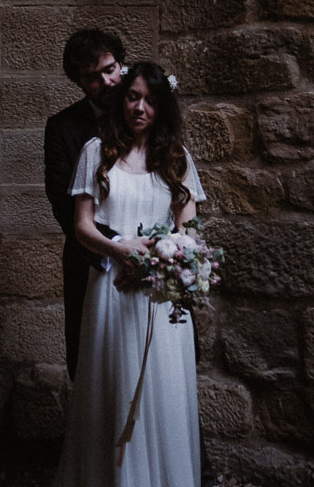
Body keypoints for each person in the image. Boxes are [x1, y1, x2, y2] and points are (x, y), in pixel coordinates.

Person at [55, 62, 207, 487]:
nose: (140, 107)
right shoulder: (95, 151)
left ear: (163, 107)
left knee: (164, 395)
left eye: (151, 101)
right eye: (133, 97)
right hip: (111, 291)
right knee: (112, 390)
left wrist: (164, 258)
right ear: (121, 100)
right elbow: (82, 226)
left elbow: (188, 232)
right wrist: (120, 251)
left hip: (159, 297)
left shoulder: (177, 160)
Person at [44, 28, 127, 380]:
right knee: (96, 369)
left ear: (122, 64)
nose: (106, 82)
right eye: (92, 78)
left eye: (110, 69)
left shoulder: (148, 113)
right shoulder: (63, 128)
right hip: (92, 259)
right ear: (79, 82)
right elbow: (64, 204)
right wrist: (118, 248)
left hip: (154, 251)